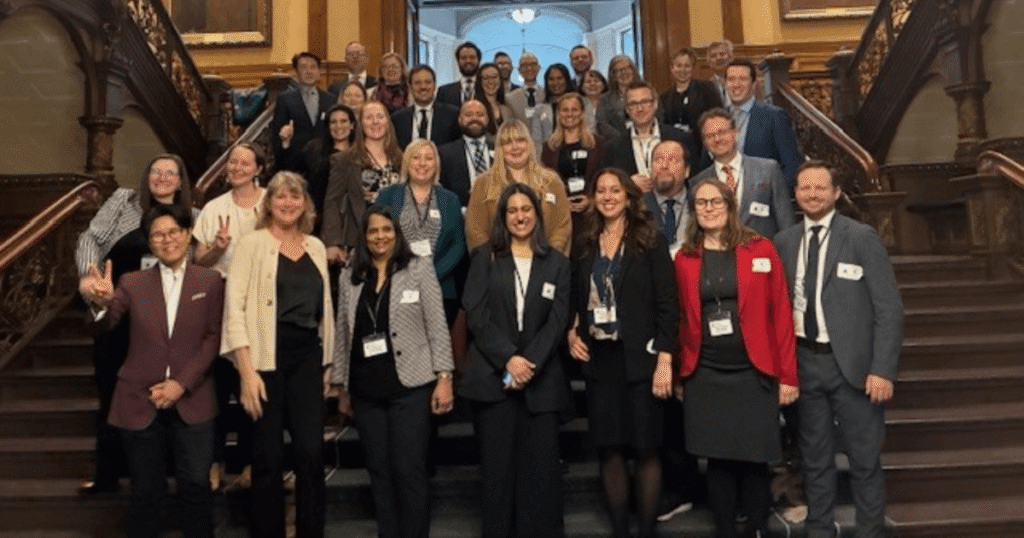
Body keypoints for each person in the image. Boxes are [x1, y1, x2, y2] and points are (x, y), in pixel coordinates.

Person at [774, 162, 903, 538]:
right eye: (804, 187)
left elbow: (889, 308)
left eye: (820, 187)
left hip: (855, 369)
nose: (812, 194)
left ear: (834, 193)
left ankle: (870, 532)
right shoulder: (784, 242)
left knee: (864, 460)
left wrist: (883, 368)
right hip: (804, 363)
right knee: (815, 461)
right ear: (795, 193)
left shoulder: (860, 237)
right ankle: (819, 531)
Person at [84, 203, 223, 538]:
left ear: (188, 235)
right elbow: (106, 326)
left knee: (195, 486)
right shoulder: (132, 282)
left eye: (173, 232)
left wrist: (180, 384)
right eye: (158, 234)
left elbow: (213, 339)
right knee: (145, 492)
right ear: (149, 241)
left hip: (193, 399)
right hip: (139, 399)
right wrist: (100, 304)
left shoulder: (211, 280)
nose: (166, 239)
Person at [674, 176, 799, 538]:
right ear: (694, 211)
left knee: (754, 459)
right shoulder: (684, 258)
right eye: (701, 203)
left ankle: (757, 528)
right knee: (717, 459)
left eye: (716, 202)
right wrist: (682, 372)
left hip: (754, 371)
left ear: (730, 207)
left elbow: (781, 316)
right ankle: (725, 530)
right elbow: (681, 318)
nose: (709, 208)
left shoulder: (761, 249)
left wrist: (788, 376)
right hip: (706, 372)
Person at [223, 171, 335, 538]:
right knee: (267, 458)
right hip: (263, 358)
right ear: (268, 203)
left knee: (310, 454)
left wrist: (327, 363)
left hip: (307, 356)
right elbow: (233, 309)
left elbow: (325, 312)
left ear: (305, 204)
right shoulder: (251, 244)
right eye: (280, 197)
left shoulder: (315, 247)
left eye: (295, 197)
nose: (288, 203)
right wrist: (246, 372)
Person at [332, 205, 455, 538]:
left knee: (409, 470)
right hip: (366, 390)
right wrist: (341, 384)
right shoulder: (349, 275)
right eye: (373, 231)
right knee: (379, 472)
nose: (380, 236)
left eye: (386, 229)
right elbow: (344, 333)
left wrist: (445, 376)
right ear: (364, 236)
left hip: (411, 386)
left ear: (396, 233)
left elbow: (437, 325)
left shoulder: (418, 268)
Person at [567, 168, 677, 538]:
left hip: (641, 361)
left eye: (616, 190)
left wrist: (665, 359)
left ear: (630, 197)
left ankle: (645, 532)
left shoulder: (650, 241)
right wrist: (572, 330)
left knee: (646, 451)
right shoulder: (585, 242)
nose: (608, 197)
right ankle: (620, 531)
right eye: (602, 191)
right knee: (609, 450)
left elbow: (668, 305)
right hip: (601, 361)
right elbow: (576, 297)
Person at [76, 153, 193, 496]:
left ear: (181, 180)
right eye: (155, 171)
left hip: (165, 325)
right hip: (118, 317)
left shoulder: (193, 216)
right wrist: (89, 280)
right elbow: (89, 239)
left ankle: (164, 472)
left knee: (164, 397)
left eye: (170, 172)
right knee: (111, 392)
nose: (162, 177)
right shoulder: (123, 200)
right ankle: (108, 474)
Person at [461, 182, 571, 538]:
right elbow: (476, 316)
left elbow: (558, 320)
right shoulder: (484, 257)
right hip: (494, 382)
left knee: (541, 476)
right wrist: (509, 359)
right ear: (503, 217)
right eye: (512, 211)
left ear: (537, 215)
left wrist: (528, 363)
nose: (520, 216)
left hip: (541, 382)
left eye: (527, 210)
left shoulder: (556, 263)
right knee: (497, 475)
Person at [191, 142, 266, 492]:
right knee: (218, 390)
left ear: (257, 168)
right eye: (232, 162)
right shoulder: (212, 208)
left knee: (252, 386)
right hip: (219, 303)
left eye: (244, 162)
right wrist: (217, 248)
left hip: (261, 304)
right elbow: (198, 262)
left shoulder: (271, 202)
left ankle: (253, 462)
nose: (236, 167)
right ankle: (215, 462)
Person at [377, 139, 466, 324]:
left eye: (428, 158)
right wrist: (401, 273)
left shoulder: (450, 200)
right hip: (395, 284)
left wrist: (431, 275)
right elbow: (377, 238)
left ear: (436, 164)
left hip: (439, 287)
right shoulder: (388, 196)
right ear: (407, 162)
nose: (422, 164)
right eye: (416, 158)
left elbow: (457, 245)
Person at [465, 120, 571, 255]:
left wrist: (551, 261)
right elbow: (475, 229)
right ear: (500, 149)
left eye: (520, 140)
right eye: (508, 143)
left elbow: (562, 225)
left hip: (547, 264)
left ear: (529, 144)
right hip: (498, 267)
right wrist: (490, 261)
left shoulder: (552, 181)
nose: (515, 147)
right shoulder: (483, 183)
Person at [690, 108, 795, 238]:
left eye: (722, 132)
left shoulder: (768, 170)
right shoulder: (698, 182)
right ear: (705, 143)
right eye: (710, 136)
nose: (717, 139)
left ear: (735, 133)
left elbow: (786, 221)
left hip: (763, 254)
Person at [321, 101, 404, 265]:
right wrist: (332, 243)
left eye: (380, 117)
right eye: (369, 118)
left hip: (396, 239)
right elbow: (332, 202)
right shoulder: (344, 159)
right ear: (360, 124)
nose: (375, 122)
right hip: (359, 239)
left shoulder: (402, 159)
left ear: (388, 122)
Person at [600, 82, 699, 192]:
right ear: (627, 109)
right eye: (633, 104)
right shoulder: (613, 147)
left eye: (645, 102)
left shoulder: (681, 138)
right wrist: (627, 183)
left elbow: (694, 179)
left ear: (655, 104)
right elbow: (606, 184)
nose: (640, 108)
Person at [724, 58, 803, 190]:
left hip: (763, 201)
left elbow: (792, 164)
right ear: (725, 83)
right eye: (731, 79)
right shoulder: (716, 118)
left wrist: (773, 196)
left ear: (754, 84)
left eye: (742, 79)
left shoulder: (774, 117)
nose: (736, 84)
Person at [540, 93, 605, 227]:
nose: (570, 114)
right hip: (562, 213)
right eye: (565, 110)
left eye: (574, 109)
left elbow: (603, 174)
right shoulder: (549, 147)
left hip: (593, 211)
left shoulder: (597, 143)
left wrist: (591, 199)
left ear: (582, 113)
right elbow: (546, 183)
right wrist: (562, 201)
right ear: (558, 114)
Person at [292, 104, 358, 223]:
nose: (339, 126)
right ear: (327, 126)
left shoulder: (361, 153)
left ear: (352, 125)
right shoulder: (313, 149)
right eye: (333, 122)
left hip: (353, 218)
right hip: (320, 218)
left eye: (343, 121)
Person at [272, 52, 334, 172]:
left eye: (313, 67)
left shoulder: (330, 99)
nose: (309, 71)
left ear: (319, 72)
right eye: (304, 67)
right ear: (296, 72)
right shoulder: (285, 99)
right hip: (295, 164)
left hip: (324, 165)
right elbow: (277, 135)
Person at [438, 99, 493, 207]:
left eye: (480, 114)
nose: (474, 119)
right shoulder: (444, 154)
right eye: (468, 115)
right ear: (460, 120)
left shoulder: (501, 149)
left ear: (487, 119)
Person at [392, 65, 460, 150]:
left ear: (435, 86)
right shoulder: (398, 118)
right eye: (417, 83)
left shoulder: (452, 115)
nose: (423, 87)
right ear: (410, 87)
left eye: (428, 82)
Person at [659, 47, 723, 137]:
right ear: (672, 68)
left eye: (687, 66)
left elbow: (718, 116)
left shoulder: (707, 88)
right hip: (675, 145)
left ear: (692, 68)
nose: (682, 70)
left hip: (703, 143)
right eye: (679, 66)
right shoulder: (664, 96)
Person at [529, 63, 573, 153]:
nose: (556, 83)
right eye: (551, 79)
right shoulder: (539, 109)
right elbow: (536, 141)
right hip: (549, 158)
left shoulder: (581, 103)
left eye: (560, 78)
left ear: (567, 80)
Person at [595, 55, 640, 140]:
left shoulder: (647, 93)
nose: (624, 73)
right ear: (613, 75)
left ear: (633, 71)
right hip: (615, 144)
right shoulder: (604, 99)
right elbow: (602, 124)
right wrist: (623, 139)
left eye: (627, 68)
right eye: (619, 70)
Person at [437, 41, 482, 107]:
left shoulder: (487, 89)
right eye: (464, 58)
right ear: (458, 61)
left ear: (478, 60)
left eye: (472, 57)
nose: (468, 61)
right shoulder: (444, 92)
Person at [473, 62, 514, 134]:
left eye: (494, 77)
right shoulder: (474, 108)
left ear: (500, 80)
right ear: (480, 82)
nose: (491, 81)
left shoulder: (506, 109)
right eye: (486, 78)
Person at [505, 52, 544, 125]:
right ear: (519, 70)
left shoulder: (547, 93)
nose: (529, 68)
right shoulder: (510, 98)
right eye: (524, 65)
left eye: (533, 64)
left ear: (539, 68)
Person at [706, 40, 734, 105]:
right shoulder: (706, 86)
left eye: (722, 54)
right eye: (713, 56)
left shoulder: (742, 81)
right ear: (709, 62)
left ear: (730, 57)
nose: (718, 58)